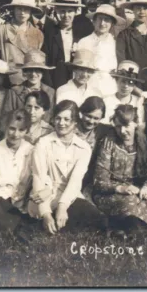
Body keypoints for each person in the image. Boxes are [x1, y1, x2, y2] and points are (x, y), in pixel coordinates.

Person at [28, 100, 108, 234]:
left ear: (75, 122)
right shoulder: (43, 143)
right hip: (44, 194)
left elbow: (75, 181)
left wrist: (62, 206)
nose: (61, 123)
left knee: (98, 221)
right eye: (58, 118)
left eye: (67, 119)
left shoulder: (83, 148)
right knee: (43, 220)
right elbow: (38, 177)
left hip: (69, 195)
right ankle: (47, 221)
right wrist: (46, 214)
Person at [93, 105, 147, 236]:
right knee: (130, 202)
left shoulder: (142, 142)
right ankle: (134, 230)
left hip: (134, 191)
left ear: (136, 124)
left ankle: (124, 228)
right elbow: (99, 181)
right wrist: (121, 188)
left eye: (127, 126)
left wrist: (146, 187)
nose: (123, 131)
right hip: (109, 192)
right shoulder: (109, 143)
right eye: (118, 126)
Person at [0, 0, 44, 85]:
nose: (22, 12)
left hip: (30, 80)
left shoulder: (37, 33)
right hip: (7, 80)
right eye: (19, 9)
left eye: (26, 9)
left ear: (30, 11)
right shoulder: (0, 30)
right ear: (13, 10)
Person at [42, 0, 94, 89]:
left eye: (70, 11)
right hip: (56, 80)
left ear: (75, 12)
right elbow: (46, 61)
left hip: (80, 78)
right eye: (62, 11)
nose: (66, 16)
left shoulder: (84, 32)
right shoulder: (50, 32)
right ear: (56, 10)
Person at [78, 4, 124, 97]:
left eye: (107, 20)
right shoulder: (84, 42)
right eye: (100, 19)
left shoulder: (116, 44)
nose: (102, 23)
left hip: (110, 89)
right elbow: (77, 70)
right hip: (88, 88)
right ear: (94, 21)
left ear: (112, 23)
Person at [3, 50, 55, 130]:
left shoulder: (50, 92)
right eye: (29, 70)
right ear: (24, 72)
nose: (33, 74)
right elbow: (7, 118)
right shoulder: (14, 91)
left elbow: (51, 117)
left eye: (37, 70)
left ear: (43, 72)